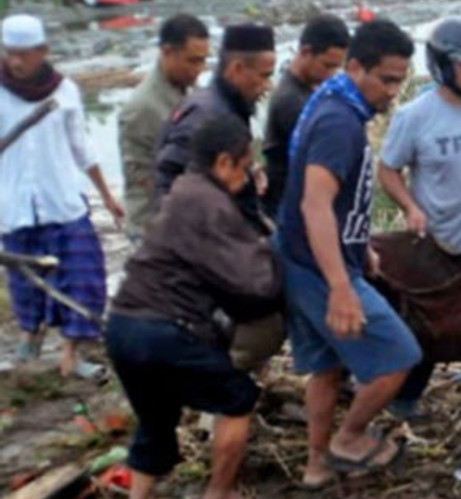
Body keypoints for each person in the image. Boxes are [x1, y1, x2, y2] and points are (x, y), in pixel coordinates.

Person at [108, 115, 282, 499]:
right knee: (237, 397)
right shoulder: (211, 203)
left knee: (156, 420)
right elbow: (254, 282)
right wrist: (274, 250)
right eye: (245, 166)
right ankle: (219, 496)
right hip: (166, 330)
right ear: (225, 162)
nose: (247, 176)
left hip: (121, 327)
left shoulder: (184, 190)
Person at [275, 19, 422, 488]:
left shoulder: (335, 103)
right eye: (388, 79)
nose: (394, 92)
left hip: (305, 258)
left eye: (401, 80)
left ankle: (317, 466)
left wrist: (359, 248)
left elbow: (337, 202)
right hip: (317, 268)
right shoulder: (339, 122)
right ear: (356, 67)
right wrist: (341, 285)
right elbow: (314, 203)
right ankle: (350, 438)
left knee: (326, 366)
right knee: (399, 355)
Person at [377, 16, 461, 420]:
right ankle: (404, 401)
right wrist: (410, 207)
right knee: (432, 328)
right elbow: (388, 169)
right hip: (441, 240)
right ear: (443, 64)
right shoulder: (416, 117)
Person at [0, 14, 124, 379]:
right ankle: (29, 338)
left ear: (43, 51)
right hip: (14, 205)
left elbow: (82, 148)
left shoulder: (65, 91)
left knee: (83, 274)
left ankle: (71, 353)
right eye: (10, 54)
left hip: (63, 201)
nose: (17, 62)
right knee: (24, 280)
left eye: (24, 54)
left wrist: (107, 195)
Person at [154, 23, 276, 209]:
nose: (268, 86)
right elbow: (168, 178)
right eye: (264, 76)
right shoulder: (205, 116)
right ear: (237, 69)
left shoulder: (229, 107)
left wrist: (248, 171)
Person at [118, 14, 210, 241]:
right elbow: (143, 176)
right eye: (192, 61)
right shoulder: (142, 108)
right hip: (154, 228)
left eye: (203, 60)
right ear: (167, 52)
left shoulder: (188, 89)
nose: (199, 69)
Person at [262, 14, 351, 219]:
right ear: (305, 52)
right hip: (287, 207)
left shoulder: (309, 90)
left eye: (336, 68)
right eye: (327, 66)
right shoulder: (290, 100)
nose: (331, 75)